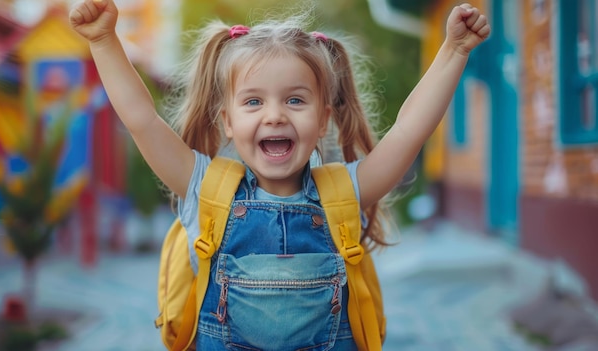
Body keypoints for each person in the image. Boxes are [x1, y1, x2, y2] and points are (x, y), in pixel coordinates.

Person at [69, 0, 490, 349]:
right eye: (253, 102)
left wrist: (453, 51)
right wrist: (105, 41)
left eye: (294, 100)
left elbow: (408, 132)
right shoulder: (205, 188)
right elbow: (143, 120)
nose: (274, 116)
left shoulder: (344, 192)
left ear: (324, 118)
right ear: (227, 121)